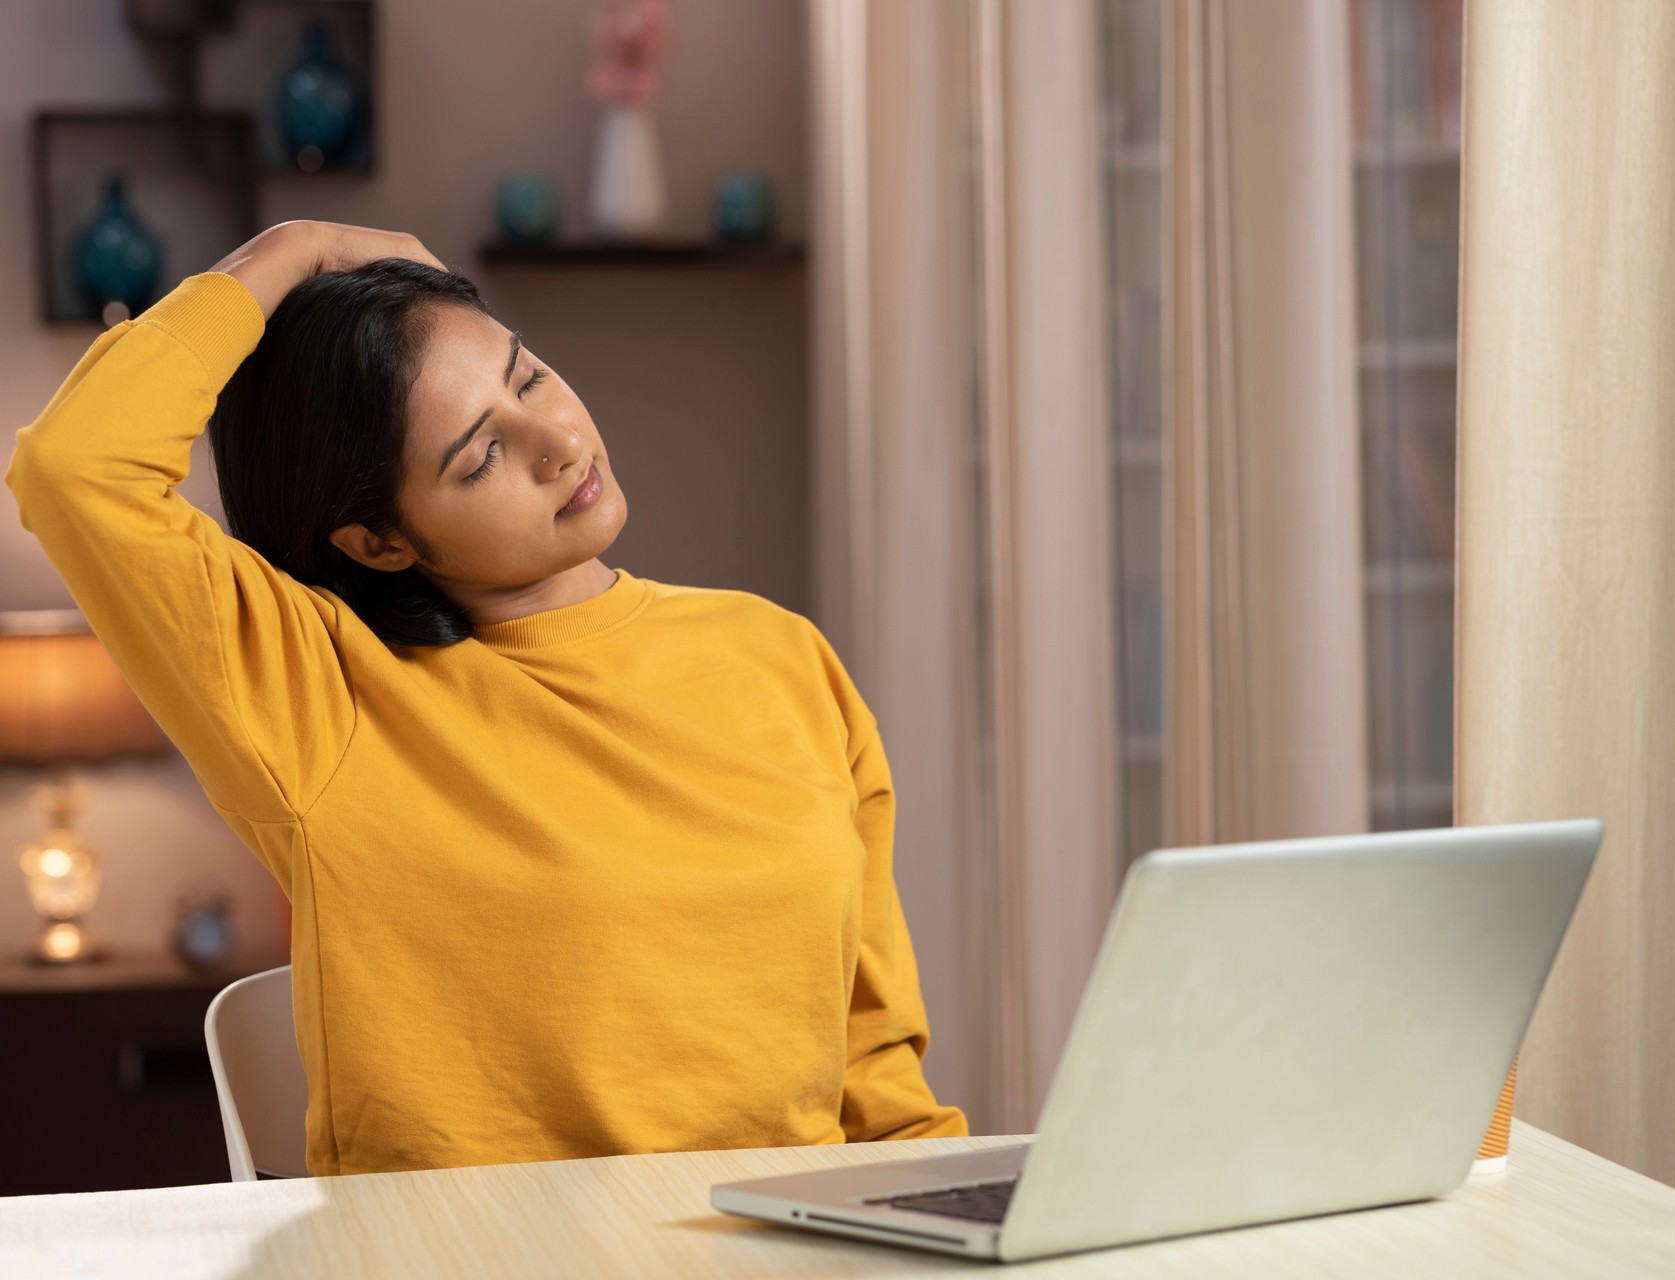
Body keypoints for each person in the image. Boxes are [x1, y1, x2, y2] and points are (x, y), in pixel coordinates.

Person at [6, 221, 966, 1176]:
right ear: (380, 541)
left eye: (529, 376)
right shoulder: (322, 700)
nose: (556, 442)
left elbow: (874, 1071)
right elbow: (76, 468)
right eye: (479, 457)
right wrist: (294, 249)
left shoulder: (781, 657)